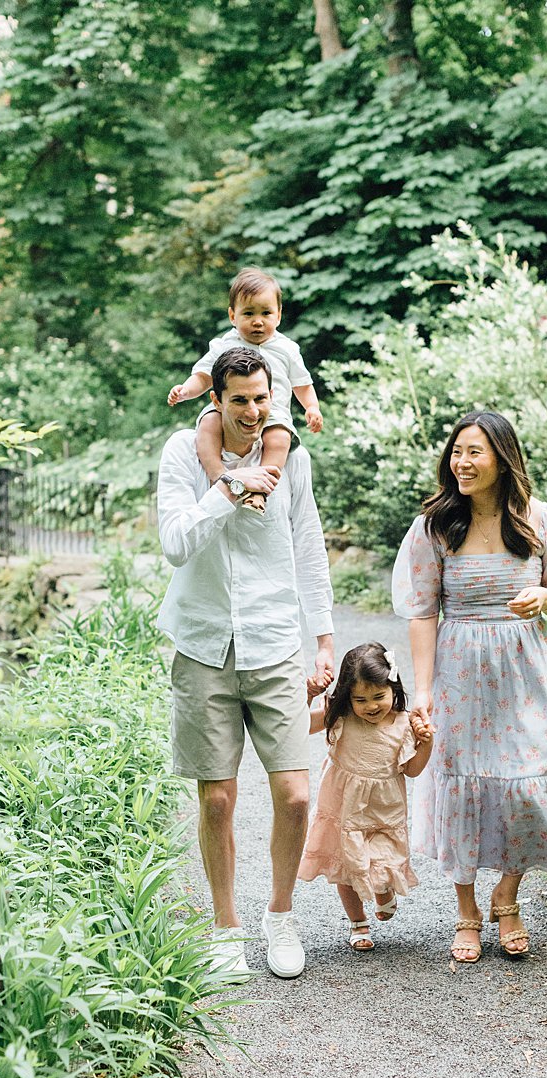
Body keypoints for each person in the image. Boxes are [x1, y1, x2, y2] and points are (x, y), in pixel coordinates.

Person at [392, 411, 547, 964]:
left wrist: (544, 600)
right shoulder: (435, 526)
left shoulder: (542, 520)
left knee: (524, 783)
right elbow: (420, 612)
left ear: (502, 459)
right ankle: (466, 911)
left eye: (474, 452)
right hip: (459, 666)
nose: (462, 462)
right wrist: (424, 688)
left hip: (525, 668)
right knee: (459, 781)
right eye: (456, 451)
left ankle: (507, 895)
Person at [156, 345, 335, 979]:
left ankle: (280, 915)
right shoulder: (184, 454)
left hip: (275, 641)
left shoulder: (294, 461)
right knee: (218, 801)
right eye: (240, 401)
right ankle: (225, 926)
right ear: (217, 400)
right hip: (203, 643)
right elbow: (176, 544)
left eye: (263, 399)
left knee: (293, 795)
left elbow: (308, 548)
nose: (254, 412)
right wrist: (229, 487)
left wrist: (324, 639)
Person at [297, 642, 435, 951]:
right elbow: (301, 726)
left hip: (383, 811)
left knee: (383, 861)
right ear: (348, 695)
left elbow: (412, 770)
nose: (371, 706)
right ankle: (358, 922)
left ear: (393, 688)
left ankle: (384, 889)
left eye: (379, 696)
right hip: (343, 808)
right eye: (361, 699)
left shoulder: (402, 724)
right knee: (344, 867)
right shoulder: (339, 714)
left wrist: (426, 743)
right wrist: (308, 696)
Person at [167, 267, 324, 513]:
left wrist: (312, 407)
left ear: (279, 315)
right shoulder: (225, 344)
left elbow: (302, 385)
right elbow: (203, 375)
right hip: (228, 410)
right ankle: (217, 476)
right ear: (233, 315)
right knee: (208, 423)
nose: (258, 321)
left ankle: (260, 492)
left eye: (266, 313)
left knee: (280, 439)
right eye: (248, 313)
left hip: (273, 414)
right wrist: (185, 391)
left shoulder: (287, 349)